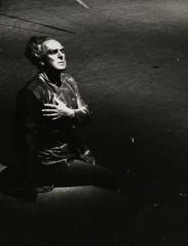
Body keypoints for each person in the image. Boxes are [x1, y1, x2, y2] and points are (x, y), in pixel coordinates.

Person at [12, 36, 117, 201]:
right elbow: (24, 138)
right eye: (53, 52)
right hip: (52, 162)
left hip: (74, 151)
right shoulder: (31, 93)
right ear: (41, 60)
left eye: (62, 50)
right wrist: (30, 179)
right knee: (110, 178)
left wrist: (69, 113)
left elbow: (87, 116)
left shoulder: (68, 80)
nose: (61, 55)